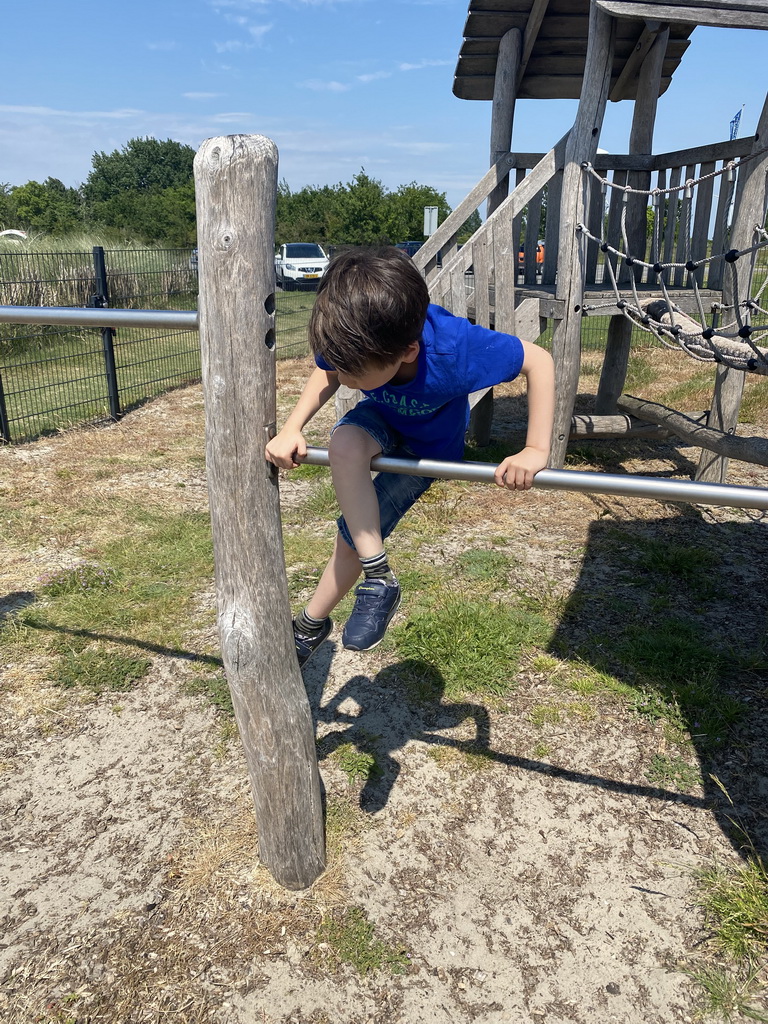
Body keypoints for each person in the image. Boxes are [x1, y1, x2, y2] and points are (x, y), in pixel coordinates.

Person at [265, 246, 555, 666]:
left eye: (354, 373)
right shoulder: (352, 330)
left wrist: (535, 449)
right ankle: (378, 576)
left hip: (427, 449)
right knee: (346, 445)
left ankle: (312, 623)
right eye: (341, 365)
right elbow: (329, 370)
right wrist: (293, 427)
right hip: (380, 421)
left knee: (351, 537)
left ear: (407, 351)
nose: (343, 377)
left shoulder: (455, 351)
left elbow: (539, 361)